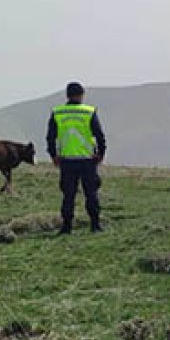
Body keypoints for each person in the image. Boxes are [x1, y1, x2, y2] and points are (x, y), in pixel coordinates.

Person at [46, 82, 107, 234]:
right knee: (91, 193)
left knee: (68, 195)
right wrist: (101, 153)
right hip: (87, 160)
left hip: (66, 160)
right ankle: (95, 225)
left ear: (67, 95)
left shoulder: (58, 112)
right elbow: (99, 135)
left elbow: (50, 137)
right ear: (81, 95)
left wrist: (53, 155)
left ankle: (66, 227)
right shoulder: (89, 112)